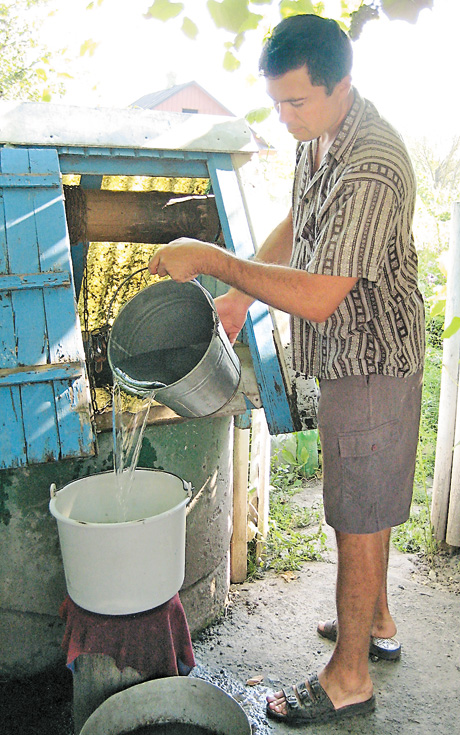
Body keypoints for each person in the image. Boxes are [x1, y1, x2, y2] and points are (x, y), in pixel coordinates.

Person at [149, 13, 425, 725]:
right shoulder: (320, 138)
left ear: (343, 86)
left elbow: (321, 291)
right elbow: (298, 223)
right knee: (359, 501)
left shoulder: (372, 162)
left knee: (358, 515)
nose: (285, 115)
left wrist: (211, 260)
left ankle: (349, 675)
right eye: (276, 102)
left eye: (296, 101)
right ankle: (378, 620)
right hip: (346, 357)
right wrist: (240, 295)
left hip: (372, 358)